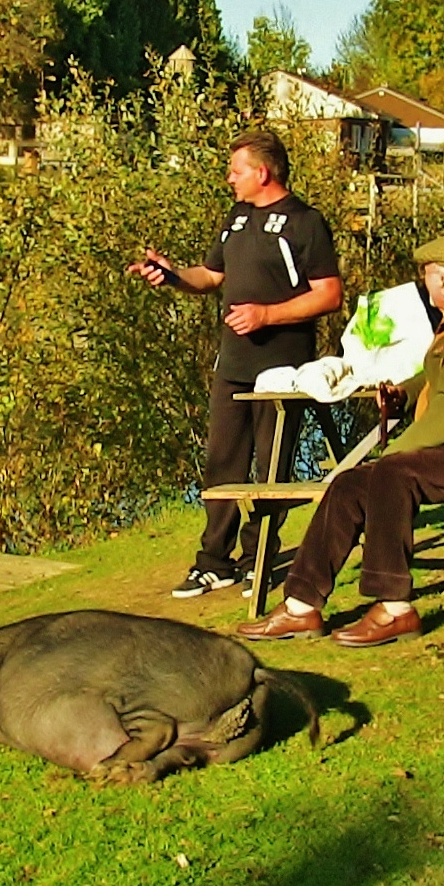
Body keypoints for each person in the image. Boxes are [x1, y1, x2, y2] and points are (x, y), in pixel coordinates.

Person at [236, 233, 444, 647]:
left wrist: (396, 451)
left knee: (393, 472)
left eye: (428, 277)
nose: (427, 287)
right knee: (349, 483)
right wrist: (406, 391)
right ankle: (300, 605)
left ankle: (394, 607)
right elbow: (443, 375)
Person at [127, 129, 343, 599]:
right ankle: (213, 562)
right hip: (233, 364)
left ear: (262, 173)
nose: (230, 179)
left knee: (271, 469)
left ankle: (258, 559)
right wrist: (171, 276)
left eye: (236, 170)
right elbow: (211, 276)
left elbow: (329, 294)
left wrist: (268, 315)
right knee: (222, 461)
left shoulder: (304, 223)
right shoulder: (237, 218)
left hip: (283, 369)